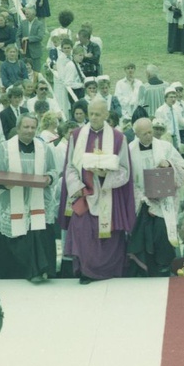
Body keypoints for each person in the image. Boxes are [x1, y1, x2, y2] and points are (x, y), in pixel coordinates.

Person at [59, 99, 136, 284]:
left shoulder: (118, 138)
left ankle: (109, 270)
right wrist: (78, 187)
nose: (93, 117)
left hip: (107, 194)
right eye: (91, 113)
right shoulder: (76, 136)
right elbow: (69, 167)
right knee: (81, 230)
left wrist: (104, 176)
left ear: (106, 115)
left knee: (109, 235)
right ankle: (86, 271)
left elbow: (125, 170)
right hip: (84, 194)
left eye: (98, 114)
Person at [0, 114, 58, 281]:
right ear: (18, 128)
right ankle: (15, 272)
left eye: (33, 127)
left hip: (37, 202)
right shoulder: (4, 149)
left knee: (38, 232)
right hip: (13, 202)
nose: (29, 130)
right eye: (26, 127)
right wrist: (5, 184)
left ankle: (39, 271)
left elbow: (54, 171)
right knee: (17, 234)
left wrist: (49, 178)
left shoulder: (45, 149)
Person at [128, 118, 184, 277]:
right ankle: (145, 271)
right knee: (144, 236)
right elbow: (129, 181)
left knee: (162, 234)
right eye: (144, 133)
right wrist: (145, 201)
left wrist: (168, 164)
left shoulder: (166, 147)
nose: (149, 135)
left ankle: (163, 269)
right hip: (141, 203)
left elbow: (183, 170)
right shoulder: (129, 151)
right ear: (136, 134)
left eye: (150, 131)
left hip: (164, 201)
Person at [16, 7, 45, 72]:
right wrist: (19, 47)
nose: (26, 16)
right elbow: (18, 36)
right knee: (24, 70)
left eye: (28, 14)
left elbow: (40, 37)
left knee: (36, 71)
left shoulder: (39, 24)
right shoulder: (23, 23)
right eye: (25, 14)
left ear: (33, 14)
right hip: (24, 52)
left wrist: (29, 38)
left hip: (35, 52)